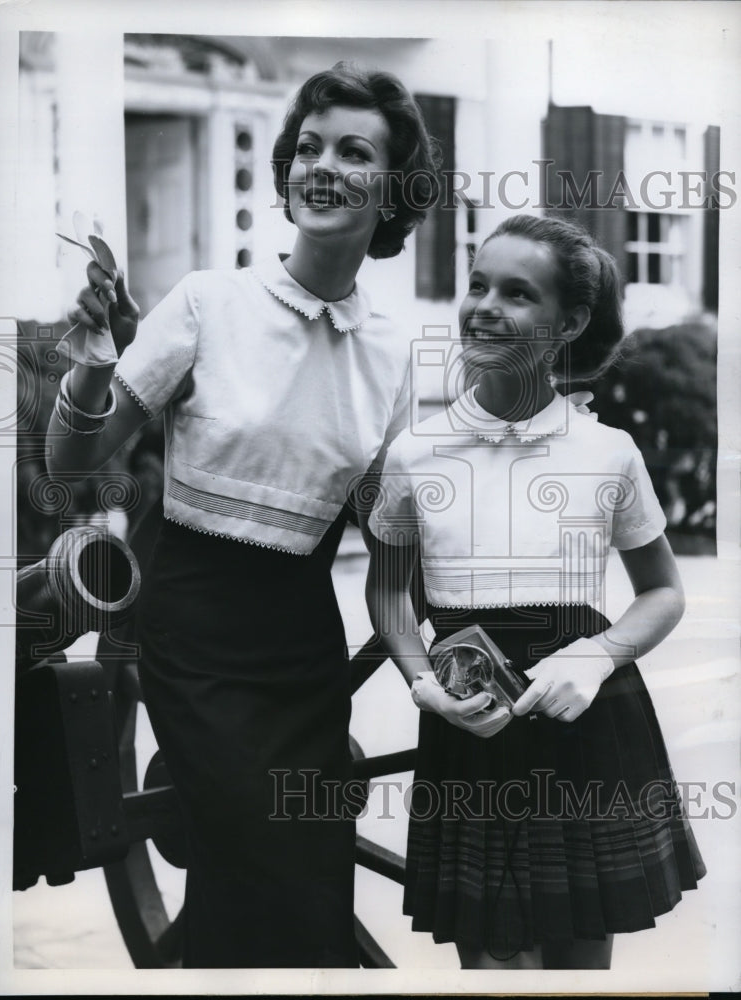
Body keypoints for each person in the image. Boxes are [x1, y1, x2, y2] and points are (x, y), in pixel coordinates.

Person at [46, 62, 441, 969]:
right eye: (308, 148)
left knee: (299, 864)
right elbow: (73, 459)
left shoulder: (392, 352)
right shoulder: (206, 303)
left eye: (354, 151)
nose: (323, 167)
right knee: (259, 852)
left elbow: (396, 530)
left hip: (302, 643)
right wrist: (95, 365)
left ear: (394, 190)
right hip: (189, 627)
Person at [367, 214, 706, 970]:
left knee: (580, 959)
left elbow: (661, 592)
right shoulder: (417, 453)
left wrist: (600, 653)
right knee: (489, 967)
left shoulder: (607, 451)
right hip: (471, 725)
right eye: (478, 284)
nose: (485, 306)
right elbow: (389, 593)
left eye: (518, 294)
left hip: (587, 722)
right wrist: (422, 683)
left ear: (570, 322)